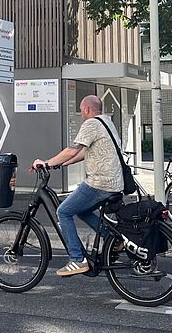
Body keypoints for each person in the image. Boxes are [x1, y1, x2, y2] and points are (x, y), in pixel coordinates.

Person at [32, 95, 124, 277]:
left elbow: (71, 150)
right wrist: (60, 164)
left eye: (81, 110)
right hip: (114, 183)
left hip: (99, 183)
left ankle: (77, 259)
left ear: (87, 109)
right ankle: (113, 239)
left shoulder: (91, 124)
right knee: (81, 210)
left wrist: (46, 163)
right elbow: (82, 153)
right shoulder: (107, 122)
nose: (81, 114)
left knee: (63, 212)